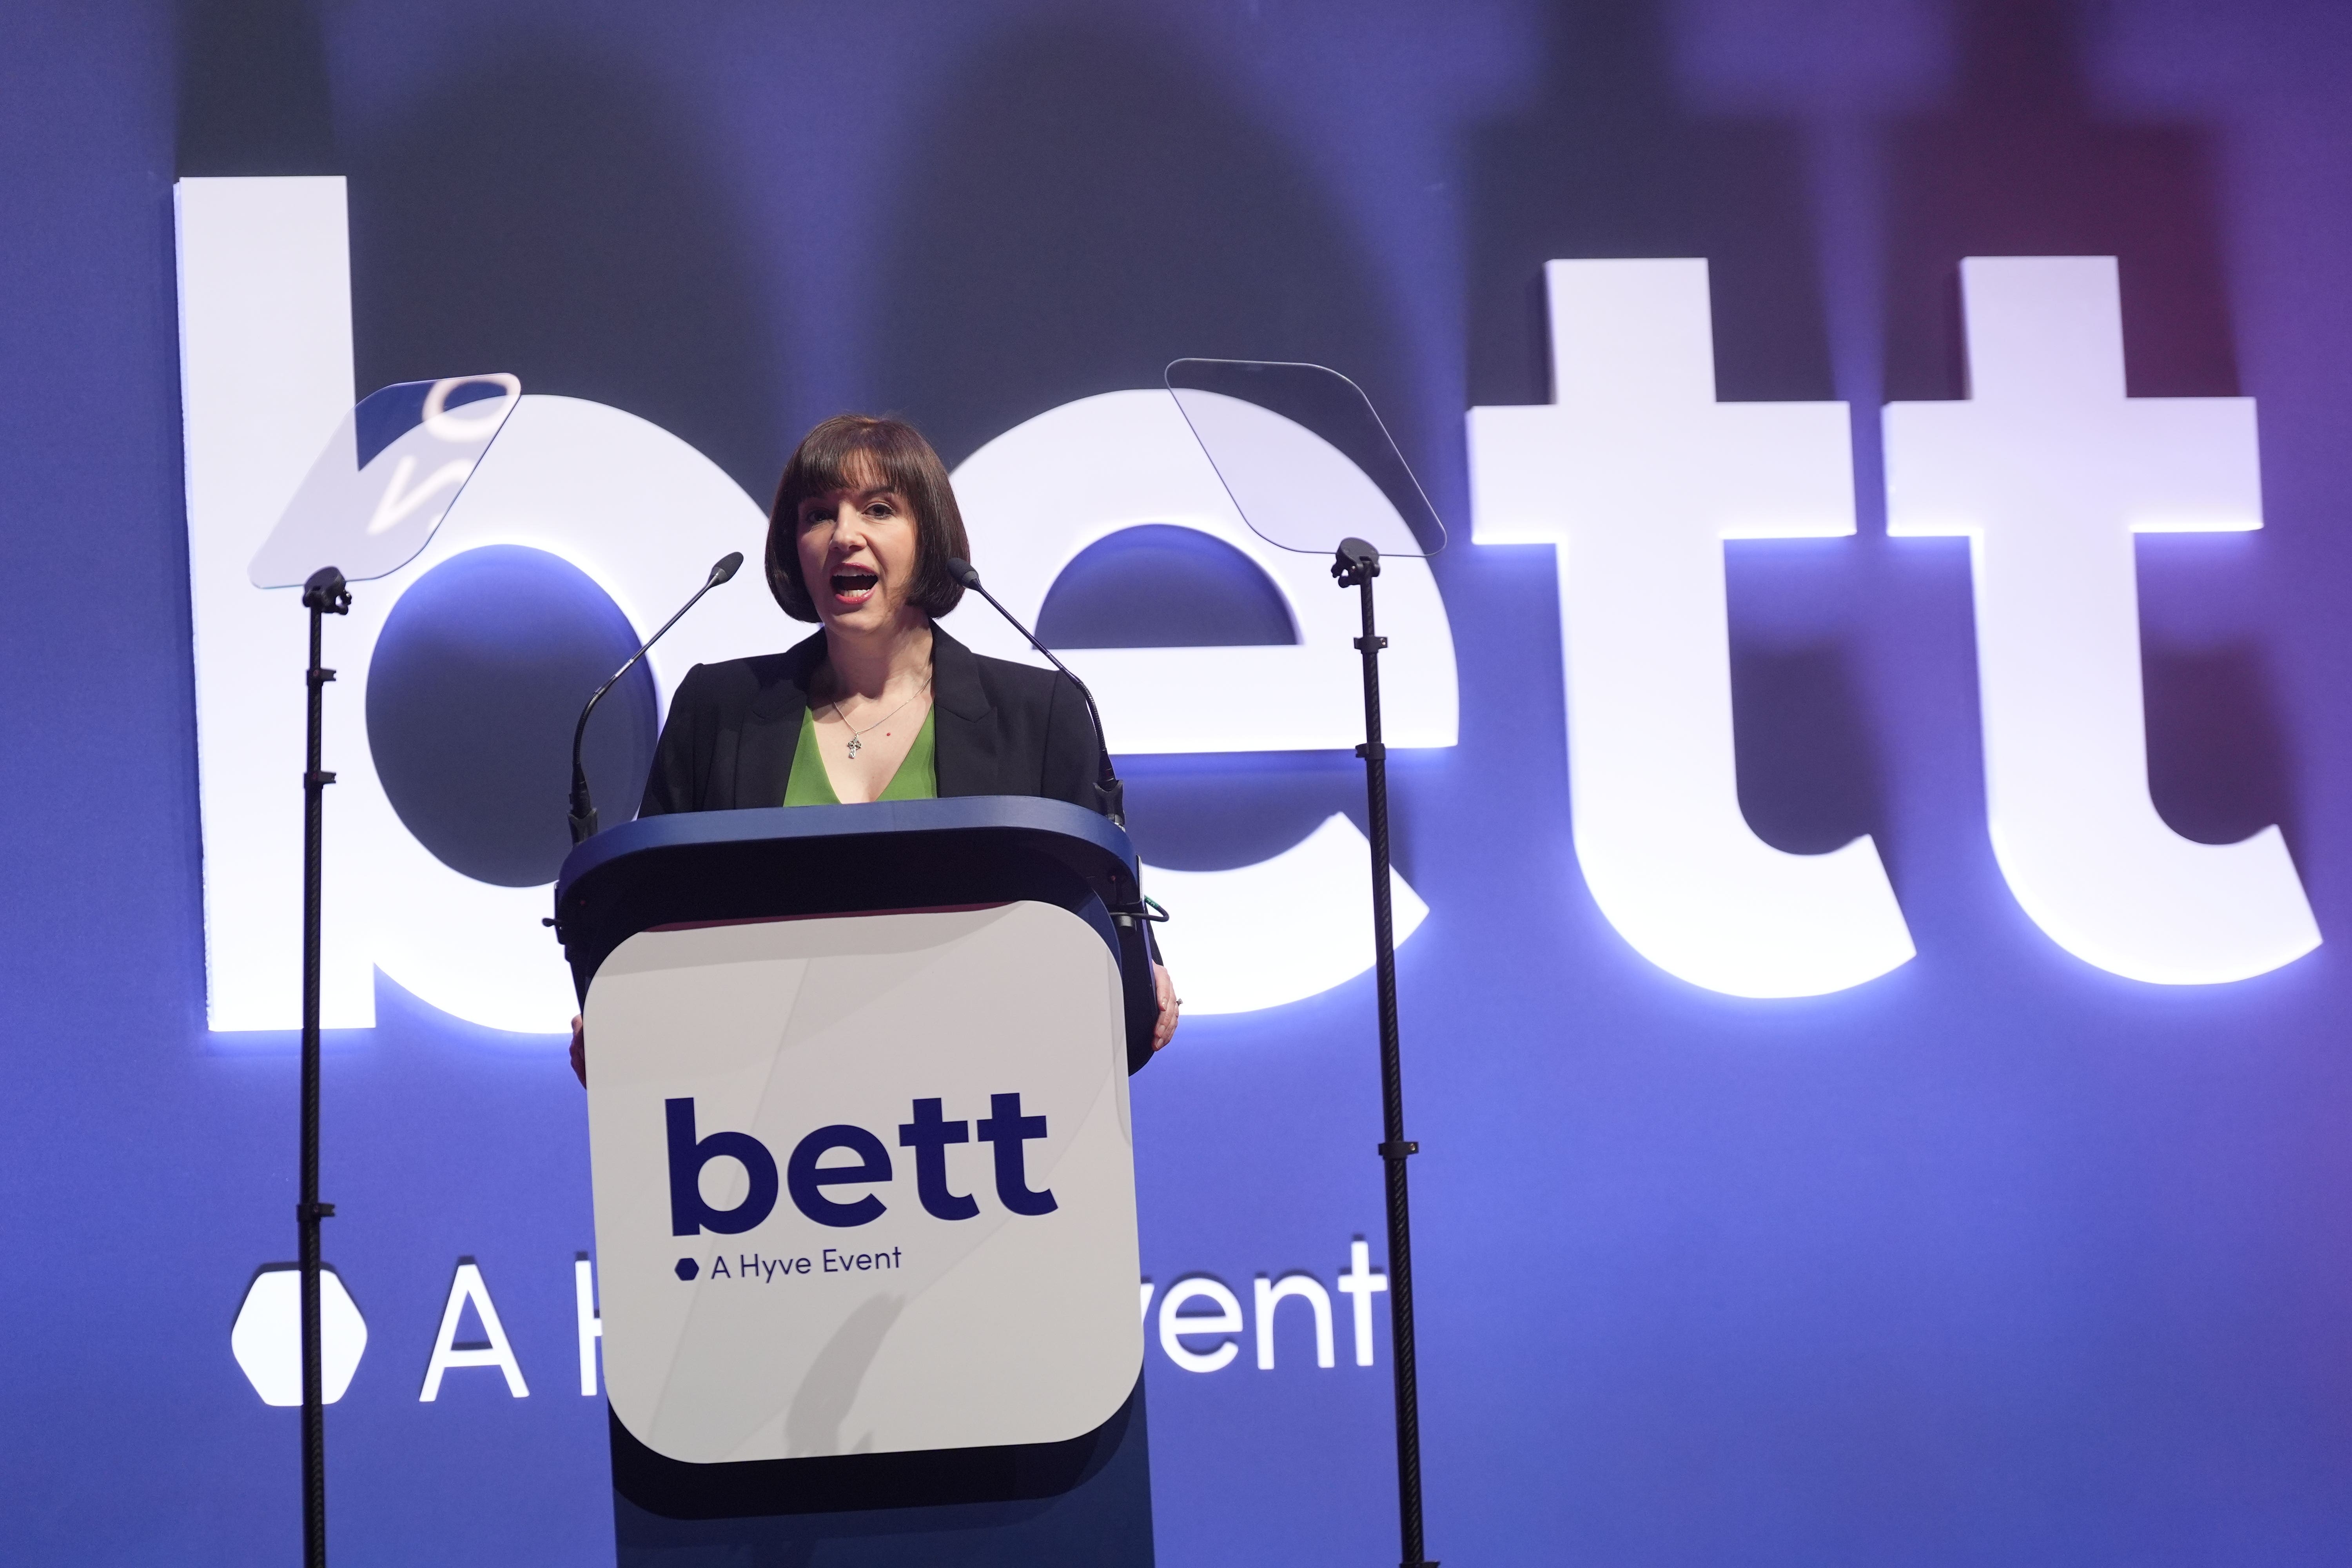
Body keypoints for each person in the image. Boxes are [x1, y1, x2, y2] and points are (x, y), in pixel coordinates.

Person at [570, 414, 1179, 1083]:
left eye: (879, 509)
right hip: (758, 1099)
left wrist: (1137, 966)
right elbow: (653, 915)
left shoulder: (1041, 713)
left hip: (982, 1095)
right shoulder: (717, 710)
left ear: (930, 536)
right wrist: (622, 1004)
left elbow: (1097, 914)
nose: (844, 536)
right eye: (818, 515)